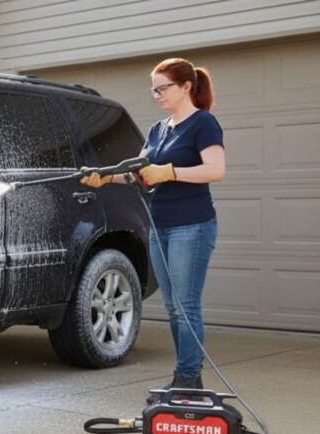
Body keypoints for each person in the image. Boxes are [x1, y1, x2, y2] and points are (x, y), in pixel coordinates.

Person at [81, 58, 226, 390]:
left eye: (163, 88)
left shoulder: (204, 124)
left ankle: (188, 378)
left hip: (192, 225)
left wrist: (171, 172)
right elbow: (140, 173)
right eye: (154, 89)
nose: (157, 94)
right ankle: (186, 375)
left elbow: (216, 170)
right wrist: (105, 177)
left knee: (186, 305)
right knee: (174, 305)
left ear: (186, 86)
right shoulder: (160, 129)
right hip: (159, 226)